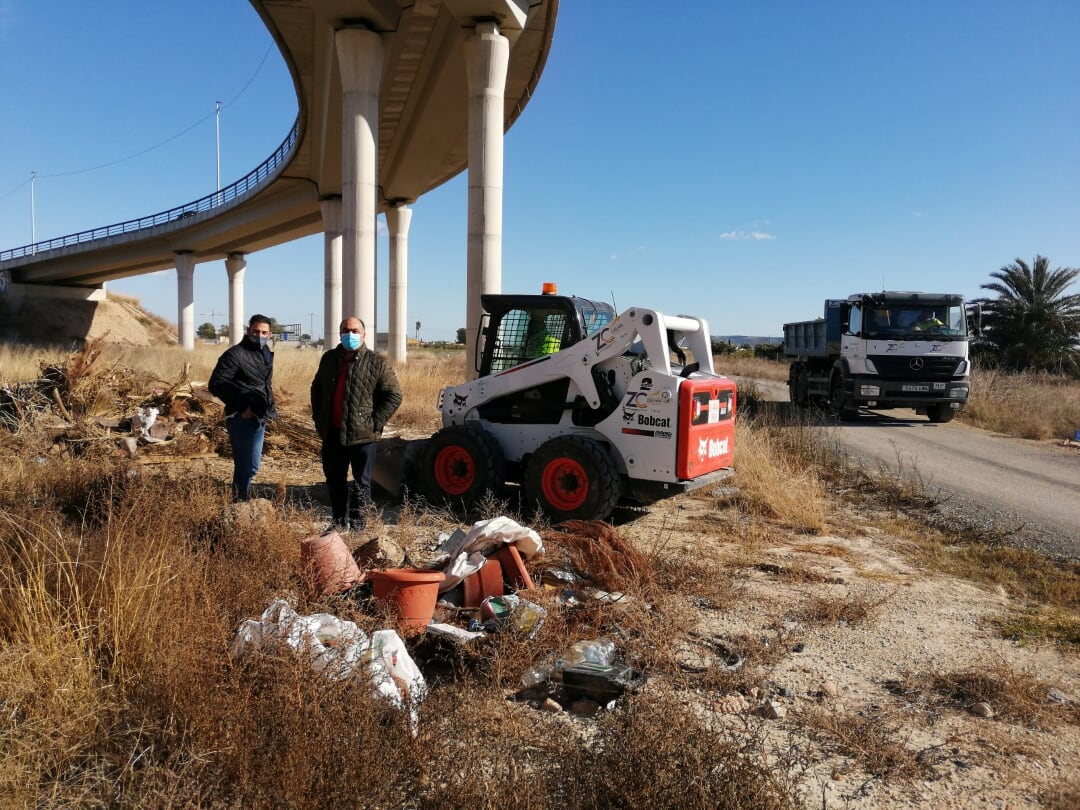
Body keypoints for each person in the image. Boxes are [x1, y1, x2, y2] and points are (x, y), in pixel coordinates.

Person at [311, 317, 402, 532]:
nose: (349, 334)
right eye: (345, 330)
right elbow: (317, 389)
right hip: (332, 434)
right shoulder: (329, 359)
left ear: (363, 334)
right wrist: (319, 418)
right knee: (335, 481)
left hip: (363, 437)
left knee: (362, 483)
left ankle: (359, 525)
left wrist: (375, 422)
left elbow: (394, 395)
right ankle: (338, 522)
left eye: (354, 330)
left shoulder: (376, 363)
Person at [209, 314, 276, 501]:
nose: (260, 335)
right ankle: (239, 502)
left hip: (259, 415)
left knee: (252, 465)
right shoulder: (235, 354)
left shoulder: (264, 352)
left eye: (264, 332)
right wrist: (243, 408)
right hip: (242, 418)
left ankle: (241, 499)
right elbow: (217, 384)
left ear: (269, 334)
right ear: (248, 331)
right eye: (256, 331)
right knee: (246, 465)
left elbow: (263, 384)